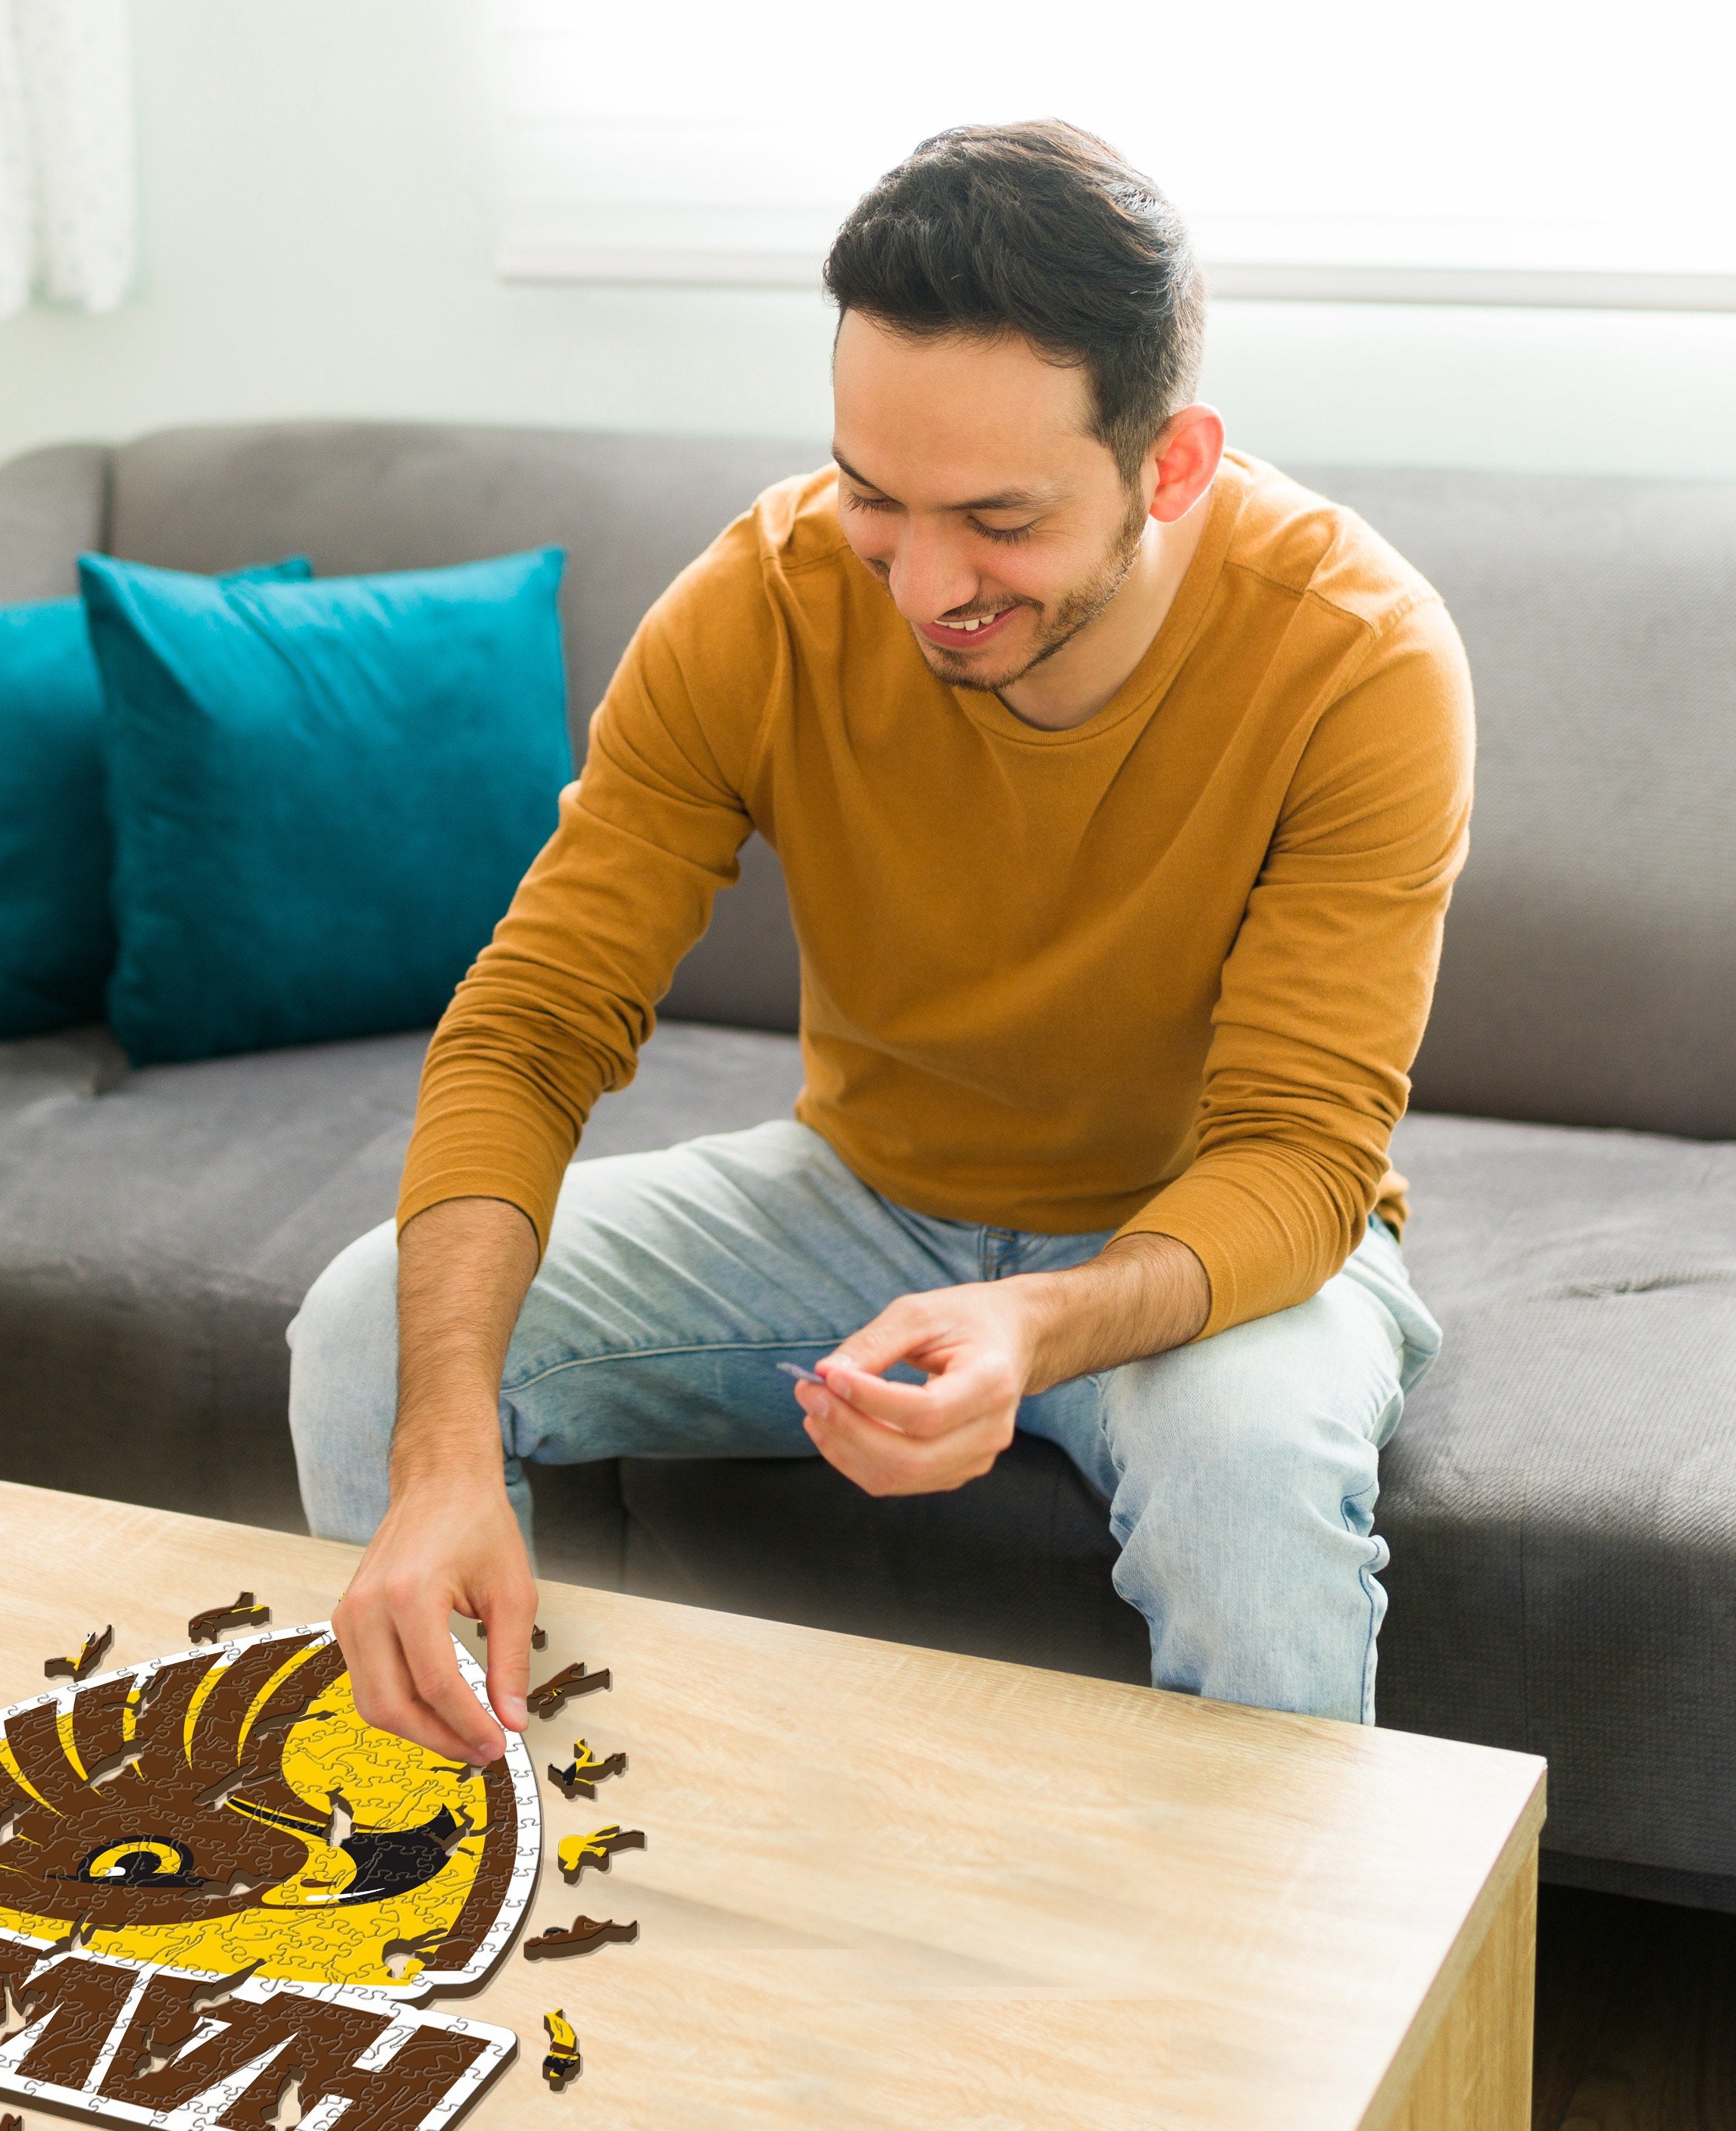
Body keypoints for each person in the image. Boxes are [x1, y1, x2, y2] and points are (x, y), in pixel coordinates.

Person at [287, 120, 1472, 1767]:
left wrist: (1037, 1325)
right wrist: (438, 1461)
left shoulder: (1358, 659)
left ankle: (1269, 2012)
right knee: (370, 1330)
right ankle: (468, 1892)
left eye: (997, 517)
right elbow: (535, 1022)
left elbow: (1297, 1158)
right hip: (862, 1200)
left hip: (1208, 1246)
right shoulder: (760, 602)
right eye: (873, 497)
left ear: (1174, 464)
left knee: (1245, 1482)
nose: (923, 584)